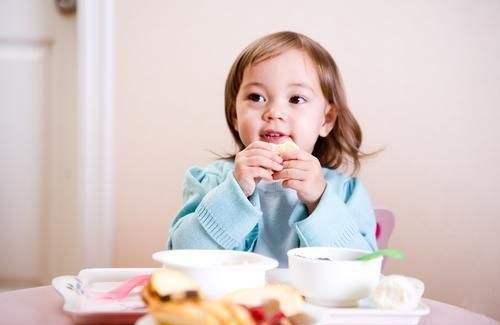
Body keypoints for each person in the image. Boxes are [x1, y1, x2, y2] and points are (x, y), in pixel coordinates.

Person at [168, 31, 377, 266]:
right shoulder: (211, 181)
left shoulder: (346, 191)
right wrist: (235, 192)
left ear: (326, 120)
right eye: (256, 97)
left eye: (296, 99)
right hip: (228, 302)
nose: (274, 112)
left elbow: (365, 269)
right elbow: (181, 257)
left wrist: (319, 201)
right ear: (235, 115)